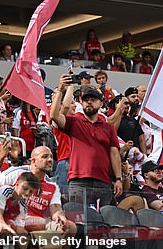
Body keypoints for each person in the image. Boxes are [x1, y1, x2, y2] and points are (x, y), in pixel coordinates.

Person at [49, 74, 123, 206]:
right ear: (81, 103)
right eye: (86, 99)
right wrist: (60, 89)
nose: (89, 102)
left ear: (101, 103)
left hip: (103, 181)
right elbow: (54, 115)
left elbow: (114, 153)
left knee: (103, 223)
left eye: (93, 99)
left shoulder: (108, 127)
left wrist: (118, 178)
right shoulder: (74, 122)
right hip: (78, 180)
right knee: (78, 220)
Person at [0, 146, 76, 237]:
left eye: (51, 157)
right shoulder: (16, 173)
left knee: (70, 227)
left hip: (39, 223)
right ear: (33, 161)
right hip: (14, 218)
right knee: (39, 223)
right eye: (44, 156)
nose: (50, 160)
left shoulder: (52, 185)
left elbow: (56, 209)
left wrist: (60, 217)